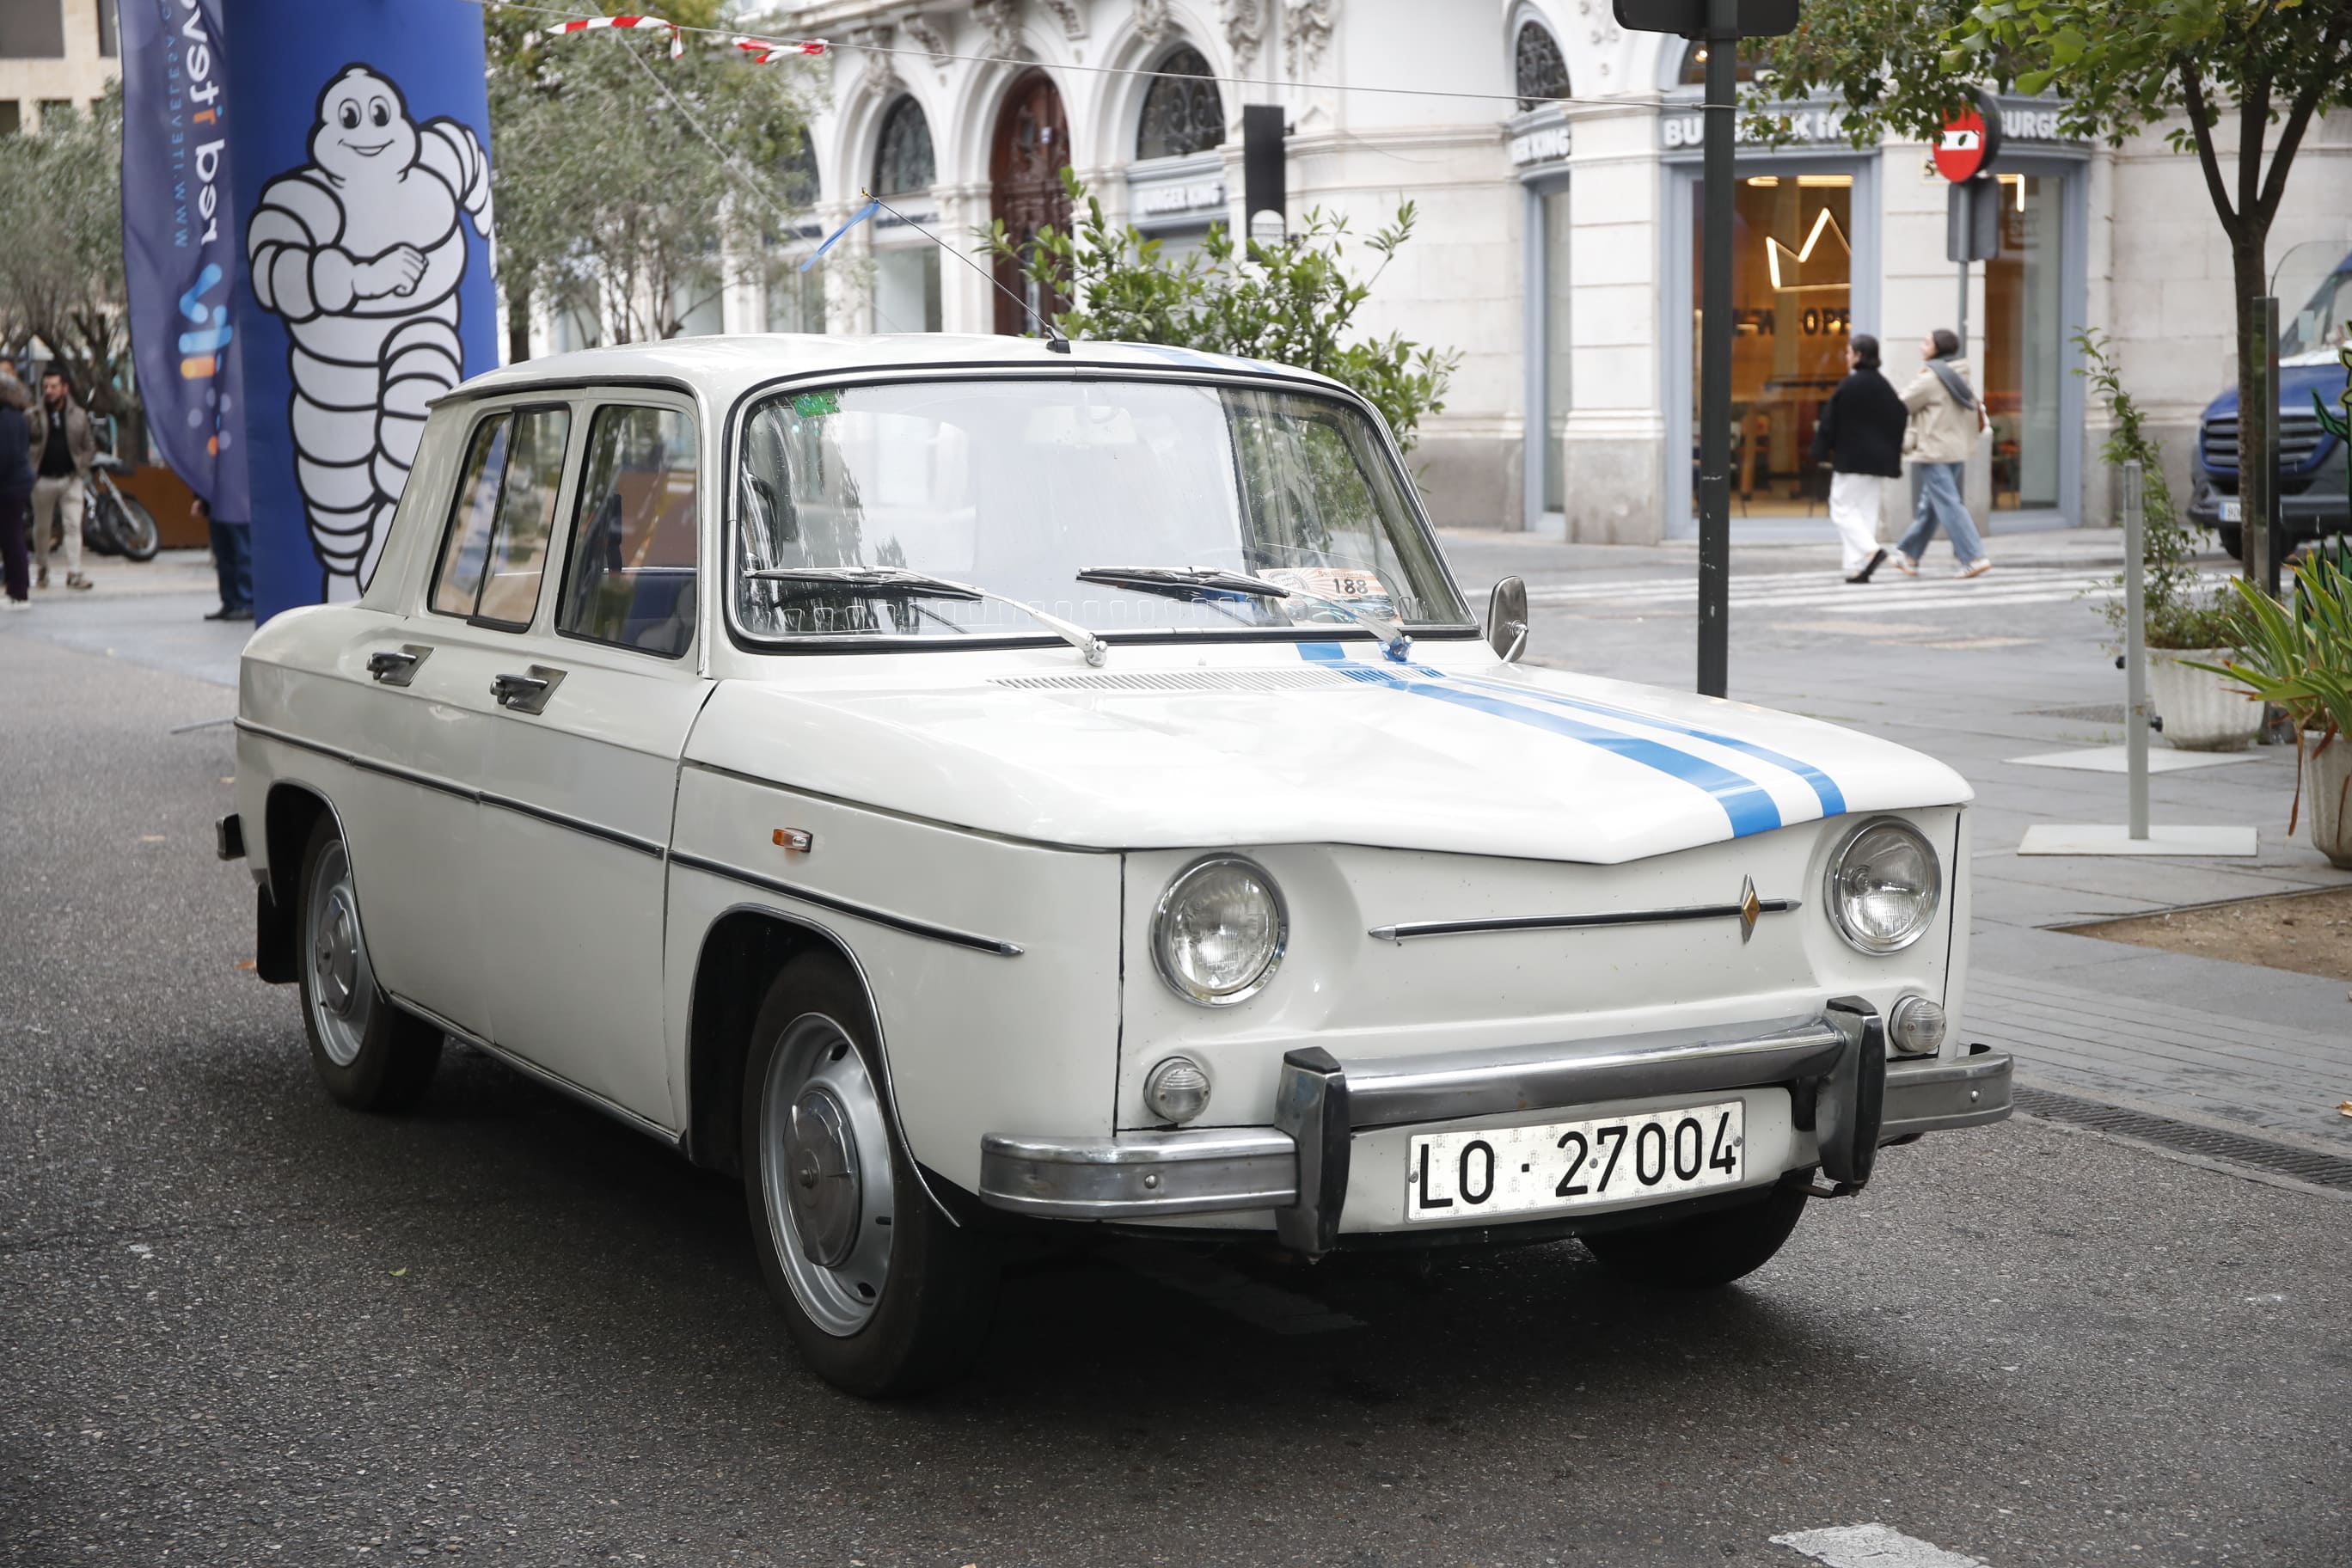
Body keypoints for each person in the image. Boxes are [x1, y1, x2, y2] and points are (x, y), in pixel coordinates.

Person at [1890, 328, 1992, 579]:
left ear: (1937, 348)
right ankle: (1910, 556)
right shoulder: (1959, 373)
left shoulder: (1931, 378)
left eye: (1926, 343)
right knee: (1932, 506)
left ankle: (1973, 556)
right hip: (1957, 449)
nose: (1921, 347)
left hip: (1934, 450)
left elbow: (1900, 404)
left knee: (1947, 503)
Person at [1809, 333, 1908, 584]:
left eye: (1849, 352)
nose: (1846, 356)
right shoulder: (1883, 386)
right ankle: (1859, 567)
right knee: (1865, 512)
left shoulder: (1849, 386)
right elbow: (1900, 413)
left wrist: (1819, 451)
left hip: (1851, 459)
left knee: (1841, 508)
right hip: (1878, 462)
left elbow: (1829, 422)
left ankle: (1871, 552)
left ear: (1859, 355)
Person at [28, 364, 97, 592]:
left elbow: (89, 446)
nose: (49, 391)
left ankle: (75, 572)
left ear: (65, 388)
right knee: (42, 529)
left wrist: (82, 469)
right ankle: (42, 569)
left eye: (54, 386)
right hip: (42, 480)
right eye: (46, 386)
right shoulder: (33, 415)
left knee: (73, 524)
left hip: (71, 479)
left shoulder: (78, 416)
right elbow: (24, 445)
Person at [0, 372, 31, 610]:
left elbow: (6, 456)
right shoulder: (15, 416)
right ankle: (16, 588)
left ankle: (18, 591)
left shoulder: (7, 418)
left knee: (12, 537)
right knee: (11, 536)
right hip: (16, 483)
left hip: (9, 485)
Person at [196, 496, 254, 622]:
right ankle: (231, 602)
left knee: (242, 551)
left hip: (236, 498)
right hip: (217, 499)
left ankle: (246, 602)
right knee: (224, 554)